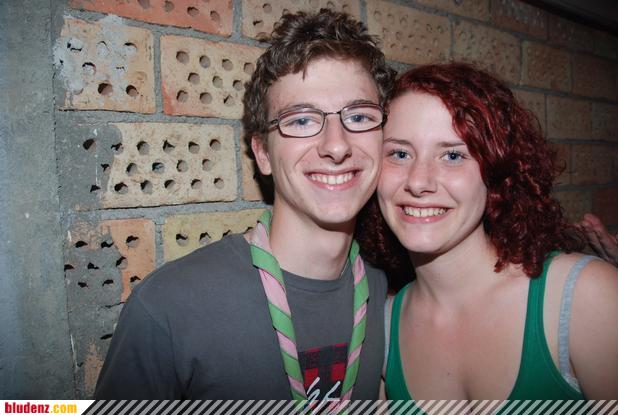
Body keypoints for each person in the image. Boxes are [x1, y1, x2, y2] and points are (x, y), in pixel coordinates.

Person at [94, 9, 395, 401]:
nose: (336, 145)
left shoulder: (383, 293)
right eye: (301, 120)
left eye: (359, 116)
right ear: (263, 154)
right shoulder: (169, 308)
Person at [357, 63, 618, 404]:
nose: (418, 181)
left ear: (495, 172)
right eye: (400, 153)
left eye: (453, 155)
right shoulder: (383, 328)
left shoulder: (583, 297)